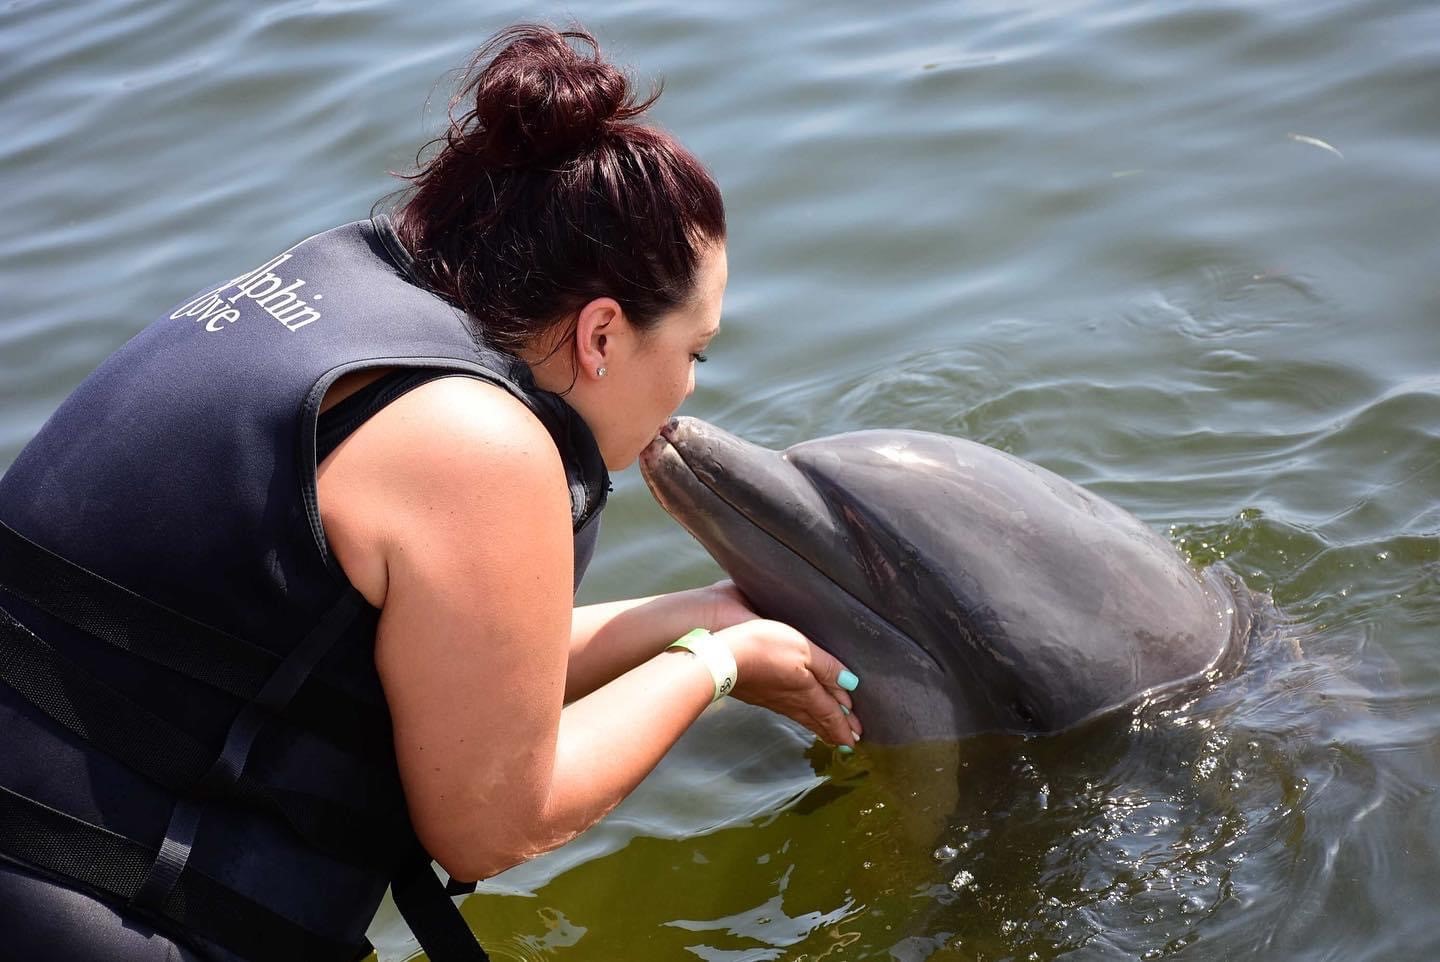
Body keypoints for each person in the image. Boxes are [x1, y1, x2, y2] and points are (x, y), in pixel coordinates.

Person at [0, 22, 861, 962]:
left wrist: (689, 615)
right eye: (693, 350)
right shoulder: (475, 441)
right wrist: (712, 668)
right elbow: (493, 824)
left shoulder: (333, 301)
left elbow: (449, 667)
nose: (692, 386)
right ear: (603, 335)